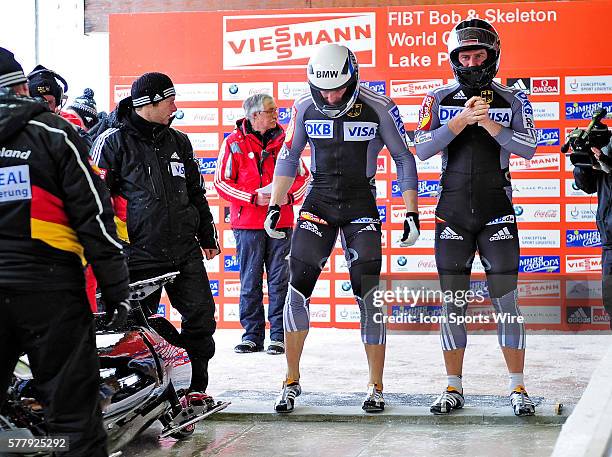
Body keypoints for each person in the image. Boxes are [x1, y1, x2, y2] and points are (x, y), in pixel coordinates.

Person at [264, 43, 420, 413]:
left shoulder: (379, 106)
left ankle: (376, 384)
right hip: (318, 203)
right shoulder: (303, 105)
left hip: (359, 205)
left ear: (353, 78)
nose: (331, 96)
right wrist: (275, 203)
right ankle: (290, 379)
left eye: (338, 88)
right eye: (324, 90)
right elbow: (288, 156)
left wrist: (411, 212)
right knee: (296, 289)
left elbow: (402, 157)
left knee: (368, 295)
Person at [0, 47, 129, 457]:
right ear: (22, 87)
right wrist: (116, 287)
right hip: (50, 291)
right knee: (73, 421)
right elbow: (94, 215)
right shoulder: (54, 133)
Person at [414, 19, 538, 416]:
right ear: (454, 59)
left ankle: (518, 388)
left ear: (492, 56)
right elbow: (421, 148)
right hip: (452, 215)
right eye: (464, 55)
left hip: (496, 213)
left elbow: (529, 148)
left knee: (507, 302)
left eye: (478, 54)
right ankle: (453, 386)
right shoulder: (437, 97)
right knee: (452, 304)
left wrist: (486, 122)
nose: (471, 61)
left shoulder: (515, 98)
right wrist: (459, 121)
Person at [90, 72, 220, 406]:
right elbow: (94, 200)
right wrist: (109, 250)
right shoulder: (112, 141)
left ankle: (194, 388)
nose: (175, 107)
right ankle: (139, 395)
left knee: (202, 318)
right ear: (148, 103)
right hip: (137, 256)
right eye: (169, 101)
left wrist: (207, 233)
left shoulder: (179, 141)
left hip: (183, 250)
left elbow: (195, 193)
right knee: (132, 329)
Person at [215, 93, 310, 355]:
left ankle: (278, 336)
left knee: (280, 281)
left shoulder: (287, 142)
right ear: (255, 115)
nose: (276, 114)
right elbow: (221, 182)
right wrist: (252, 197)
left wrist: (287, 197)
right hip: (247, 224)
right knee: (249, 281)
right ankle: (252, 335)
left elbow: (304, 177)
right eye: (271, 110)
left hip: (280, 221)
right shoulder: (233, 142)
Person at [573, 144, 612, 329]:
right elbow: (587, 186)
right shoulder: (606, 142)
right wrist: (583, 159)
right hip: (610, 240)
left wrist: (605, 161)